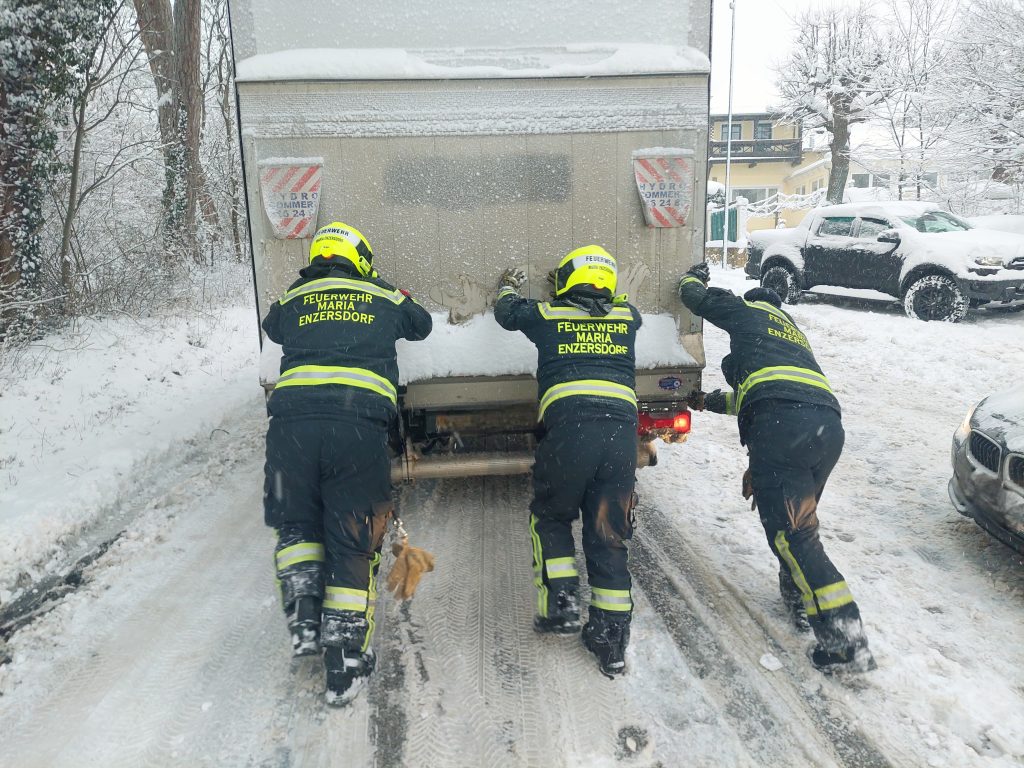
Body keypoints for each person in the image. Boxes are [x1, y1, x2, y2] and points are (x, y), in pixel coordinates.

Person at [262, 221, 432, 705]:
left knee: (297, 525)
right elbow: (421, 324)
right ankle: (343, 663)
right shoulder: (381, 295)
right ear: (361, 260)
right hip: (355, 428)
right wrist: (378, 286)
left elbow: (272, 327)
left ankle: (303, 616)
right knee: (353, 538)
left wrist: (312, 298)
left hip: (291, 430)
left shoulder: (295, 298)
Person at [679, 262, 874, 673]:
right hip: (826, 428)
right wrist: (709, 401)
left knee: (794, 536)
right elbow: (763, 389)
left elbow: (695, 297)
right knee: (799, 524)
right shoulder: (791, 332)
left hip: (782, 427)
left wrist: (694, 275)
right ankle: (800, 602)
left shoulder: (747, 311)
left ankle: (845, 642)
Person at [494, 245, 641, 677]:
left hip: (570, 432)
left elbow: (507, 313)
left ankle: (561, 605)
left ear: (567, 281)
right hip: (620, 440)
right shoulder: (627, 318)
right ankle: (611, 641)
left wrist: (508, 287)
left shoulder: (547, 315)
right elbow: (610, 307)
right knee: (608, 533)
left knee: (552, 516)